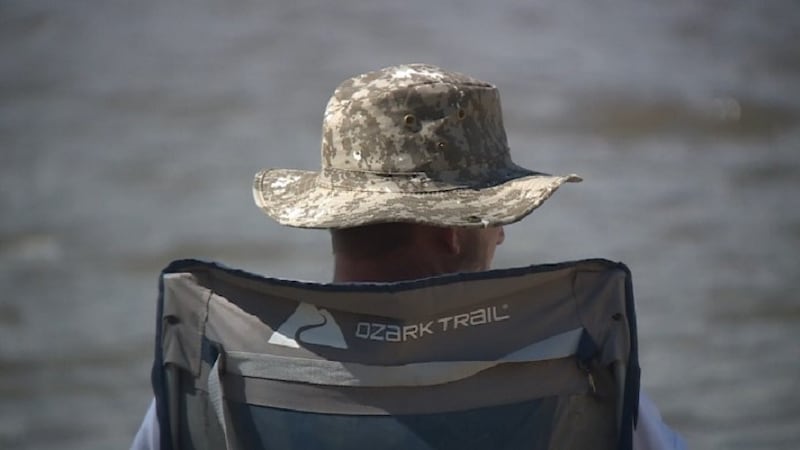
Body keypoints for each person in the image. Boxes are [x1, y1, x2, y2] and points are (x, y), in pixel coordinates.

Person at [132, 63, 685, 450]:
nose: (501, 237)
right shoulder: (561, 359)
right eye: (496, 218)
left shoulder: (229, 359)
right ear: (451, 233)